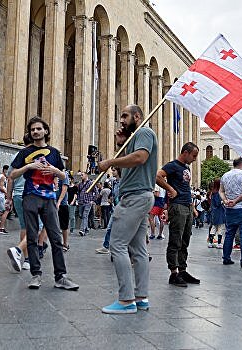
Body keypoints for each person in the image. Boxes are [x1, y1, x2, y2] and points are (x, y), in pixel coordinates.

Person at [98, 104, 157, 314]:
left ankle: (125, 300)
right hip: (137, 195)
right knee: (139, 249)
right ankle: (141, 298)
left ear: (137, 116)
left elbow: (141, 158)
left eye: (124, 116)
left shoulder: (144, 132)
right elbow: (125, 174)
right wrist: (120, 146)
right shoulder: (133, 139)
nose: (121, 120)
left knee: (117, 245)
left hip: (135, 198)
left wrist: (110, 161)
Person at [9, 116, 79, 290]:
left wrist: (56, 170)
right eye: (32, 129)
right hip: (30, 196)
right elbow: (12, 174)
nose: (35, 132)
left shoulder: (54, 153)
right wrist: (28, 167)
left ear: (46, 131)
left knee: (55, 238)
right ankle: (36, 275)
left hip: (49, 198)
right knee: (31, 237)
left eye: (38, 129)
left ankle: (61, 277)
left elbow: (64, 177)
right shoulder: (24, 153)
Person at [156, 142, 200, 287]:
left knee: (185, 240)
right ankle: (173, 273)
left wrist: (192, 207)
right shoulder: (172, 165)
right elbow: (158, 176)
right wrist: (170, 188)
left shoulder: (186, 168)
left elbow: (186, 188)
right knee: (176, 240)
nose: (194, 159)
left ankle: (182, 270)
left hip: (187, 206)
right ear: (185, 152)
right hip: (178, 206)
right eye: (193, 155)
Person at [6, 133, 33, 272]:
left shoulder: (15, 156)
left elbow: (10, 178)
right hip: (32, 195)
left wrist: (8, 198)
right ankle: (19, 252)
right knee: (37, 226)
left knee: (24, 226)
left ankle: (26, 259)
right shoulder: (35, 155)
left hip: (17, 195)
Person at [95, 166, 121, 254]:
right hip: (115, 208)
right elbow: (113, 194)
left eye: (114, 170)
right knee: (110, 228)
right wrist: (111, 199)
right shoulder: (114, 182)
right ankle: (106, 246)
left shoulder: (122, 182)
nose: (112, 172)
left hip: (121, 208)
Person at [208, 178, 226, 249]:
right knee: (221, 228)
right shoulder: (218, 193)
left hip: (214, 212)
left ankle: (211, 242)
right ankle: (219, 243)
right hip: (220, 212)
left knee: (213, 227)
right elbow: (218, 203)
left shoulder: (213, 192)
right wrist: (223, 201)